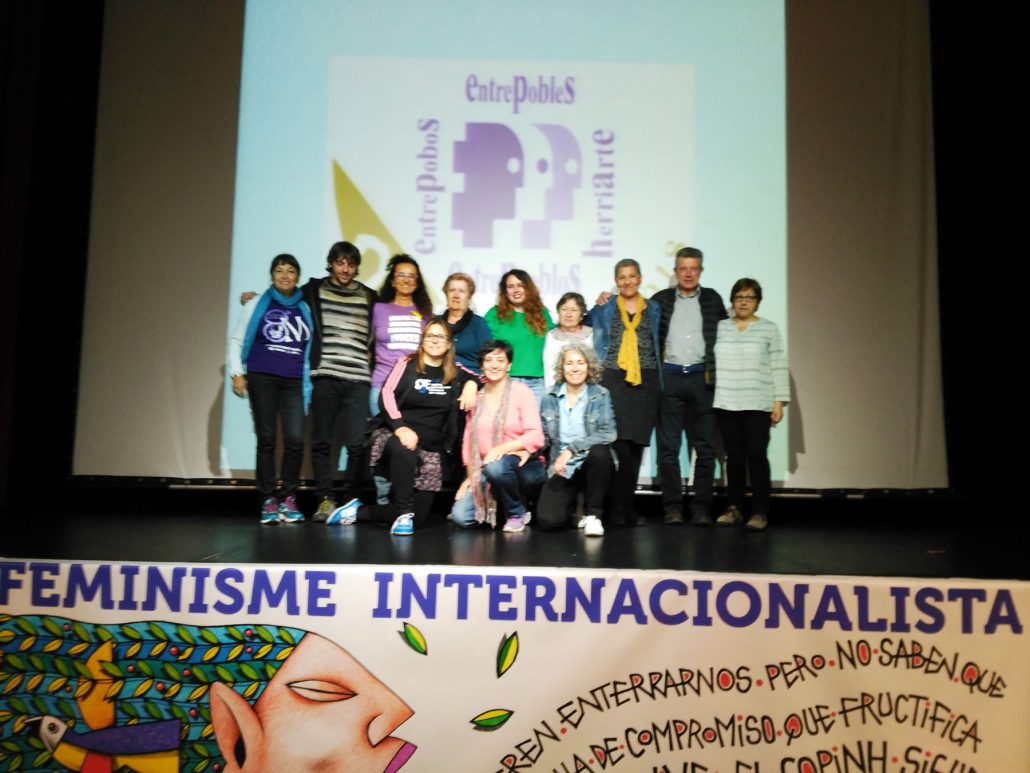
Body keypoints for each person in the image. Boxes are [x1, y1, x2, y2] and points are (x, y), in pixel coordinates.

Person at [228, 254, 313, 524]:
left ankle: (288, 497)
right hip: (262, 377)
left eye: (290, 271)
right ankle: (268, 498)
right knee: (266, 438)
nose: (285, 275)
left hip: (294, 380)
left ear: (298, 276)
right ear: (272, 275)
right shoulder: (256, 303)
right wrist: (236, 372)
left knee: (295, 440)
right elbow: (237, 340)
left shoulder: (305, 307)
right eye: (279, 270)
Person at [370, 321, 469, 536]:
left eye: (440, 337)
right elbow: (386, 394)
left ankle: (359, 512)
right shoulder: (406, 363)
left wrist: (471, 385)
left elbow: (480, 377)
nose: (434, 340)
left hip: (430, 449)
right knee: (404, 448)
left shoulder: (454, 371)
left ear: (448, 344)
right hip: (396, 435)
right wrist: (400, 427)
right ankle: (403, 514)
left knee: (421, 517)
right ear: (423, 340)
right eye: (430, 336)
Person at [652, 247, 728, 526]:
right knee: (668, 448)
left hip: (702, 378)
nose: (688, 273)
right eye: (683, 268)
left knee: (706, 448)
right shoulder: (660, 300)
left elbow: (726, 335)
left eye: (693, 268)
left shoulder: (712, 299)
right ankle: (672, 507)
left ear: (700, 271)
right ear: (675, 271)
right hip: (670, 376)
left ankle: (702, 507)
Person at [303, 242, 378, 522]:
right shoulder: (314, 290)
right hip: (326, 375)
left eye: (351, 264)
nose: (345, 269)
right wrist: (254, 299)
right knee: (322, 441)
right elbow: (284, 295)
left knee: (357, 444)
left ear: (357, 267)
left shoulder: (369, 296)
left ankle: (350, 501)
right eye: (340, 263)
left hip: (358, 378)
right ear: (331, 264)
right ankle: (324, 499)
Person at [586, 258, 661, 527]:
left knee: (636, 446)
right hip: (614, 379)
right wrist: (597, 302)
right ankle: (617, 508)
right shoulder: (606, 307)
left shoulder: (654, 308)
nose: (627, 281)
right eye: (622, 277)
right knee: (620, 446)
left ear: (640, 278)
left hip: (646, 381)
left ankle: (627, 508)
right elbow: (583, 321)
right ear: (616, 281)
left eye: (631, 276)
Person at [713, 278, 789, 531]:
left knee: (756, 456)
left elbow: (779, 365)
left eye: (749, 298)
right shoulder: (721, 327)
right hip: (726, 401)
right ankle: (734, 508)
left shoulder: (769, 329)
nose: (743, 302)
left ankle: (760, 511)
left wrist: (779, 402)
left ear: (757, 302)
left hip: (758, 402)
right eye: (739, 297)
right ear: (732, 301)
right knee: (733, 458)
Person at [450, 340, 545, 533]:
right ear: (481, 365)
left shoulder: (521, 392)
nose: (494, 365)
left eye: (500, 360)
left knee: (496, 465)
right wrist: (470, 478)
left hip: (524, 465)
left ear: (509, 365)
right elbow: (468, 442)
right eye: (489, 360)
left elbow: (536, 435)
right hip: (487, 469)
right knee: (461, 517)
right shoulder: (476, 397)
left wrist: (503, 448)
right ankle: (500, 507)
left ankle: (516, 513)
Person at [537, 342, 616, 536]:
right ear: (561, 368)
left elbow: (609, 432)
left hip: (590, 463)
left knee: (600, 452)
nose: (575, 368)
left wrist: (571, 450)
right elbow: (544, 437)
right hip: (563, 466)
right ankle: (574, 505)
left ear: (588, 366)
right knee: (549, 521)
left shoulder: (600, 394)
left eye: (580, 363)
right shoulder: (549, 396)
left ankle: (593, 515)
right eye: (569, 363)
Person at [370, 254, 432, 416]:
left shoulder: (426, 314)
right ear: (392, 281)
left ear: (417, 282)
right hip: (381, 384)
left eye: (411, 276)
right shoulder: (378, 309)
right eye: (401, 275)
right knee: (382, 432)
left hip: (413, 387)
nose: (406, 280)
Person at [484, 269, 553, 401]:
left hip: (537, 383)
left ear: (528, 288)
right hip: (505, 380)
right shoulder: (495, 314)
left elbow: (557, 340)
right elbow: (483, 348)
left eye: (520, 285)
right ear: (505, 291)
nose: (516, 290)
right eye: (510, 286)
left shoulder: (541, 314)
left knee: (533, 416)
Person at [440, 272, 492, 373]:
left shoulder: (479, 324)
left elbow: (489, 357)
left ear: (469, 297)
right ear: (446, 294)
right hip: (440, 377)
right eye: (452, 290)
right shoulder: (436, 323)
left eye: (461, 291)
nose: (456, 295)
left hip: (471, 378)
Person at [542, 292, 593, 391]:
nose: (568, 314)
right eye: (564, 309)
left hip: (585, 394)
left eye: (574, 310)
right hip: (553, 393)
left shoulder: (591, 336)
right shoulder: (549, 336)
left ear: (581, 315)